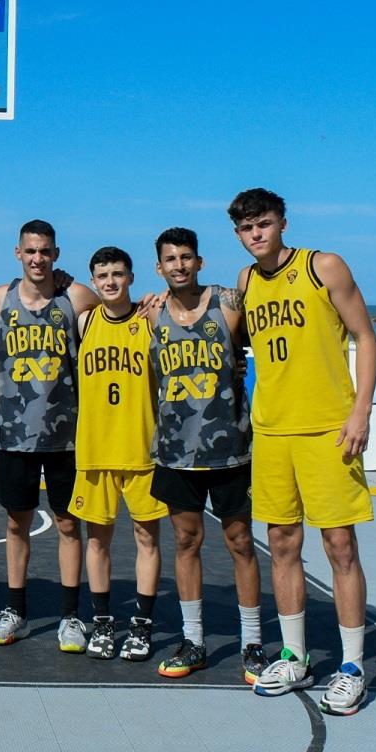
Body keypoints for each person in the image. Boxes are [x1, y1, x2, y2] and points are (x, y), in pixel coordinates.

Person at [232, 187, 376, 716]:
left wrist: (360, 411)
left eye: (264, 224)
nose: (257, 234)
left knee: (340, 545)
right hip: (272, 432)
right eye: (247, 228)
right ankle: (296, 656)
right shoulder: (246, 281)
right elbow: (200, 311)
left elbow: (366, 336)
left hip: (328, 430)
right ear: (238, 235)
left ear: (283, 223)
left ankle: (353, 664)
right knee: (282, 543)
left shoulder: (323, 266)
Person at [147, 227, 267, 683]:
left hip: (231, 450)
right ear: (159, 268)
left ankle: (252, 644)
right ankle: (193, 640)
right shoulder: (151, 315)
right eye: (170, 259)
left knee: (240, 544)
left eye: (186, 257)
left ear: (199, 262)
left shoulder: (229, 305)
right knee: (186, 543)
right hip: (176, 451)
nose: (179, 265)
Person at [0, 220, 98, 649]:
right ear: (18, 253)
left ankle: (71, 616)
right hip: (13, 433)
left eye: (45, 251)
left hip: (67, 434)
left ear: (56, 254)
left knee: (69, 523)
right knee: (17, 523)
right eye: (31, 251)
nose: (37, 258)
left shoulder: (76, 296)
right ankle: (17, 612)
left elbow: (120, 313)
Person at [70, 246, 168, 662]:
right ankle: (104, 622)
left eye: (118, 274)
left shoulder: (150, 319)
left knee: (147, 539)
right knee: (98, 542)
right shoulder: (84, 320)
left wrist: (160, 301)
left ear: (131, 277)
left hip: (141, 449)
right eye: (103, 275)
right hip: (95, 450)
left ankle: (142, 625)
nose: (110, 281)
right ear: (93, 282)